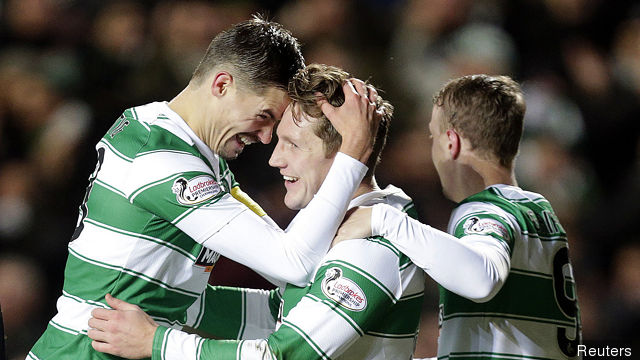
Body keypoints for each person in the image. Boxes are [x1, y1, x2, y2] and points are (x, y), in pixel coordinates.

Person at [28, 16, 382, 360]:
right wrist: (352, 153)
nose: (265, 138)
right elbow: (293, 262)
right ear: (222, 85)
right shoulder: (160, 157)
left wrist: (297, 312)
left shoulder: (196, 156)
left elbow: (272, 266)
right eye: (264, 116)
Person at [86, 64, 426, 359]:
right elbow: (282, 312)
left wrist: (157, 342)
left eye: (293, 144)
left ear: (345, 153)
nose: (275, 159)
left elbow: (283, 354)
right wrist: (171, 303)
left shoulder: (369, 247)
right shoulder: (337, 225)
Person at [338, 74, 582, 359]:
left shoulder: (483, 210)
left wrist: (383, 220)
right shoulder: (541, 211)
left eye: (433, 136)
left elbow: (482, 280)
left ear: (451, 142)